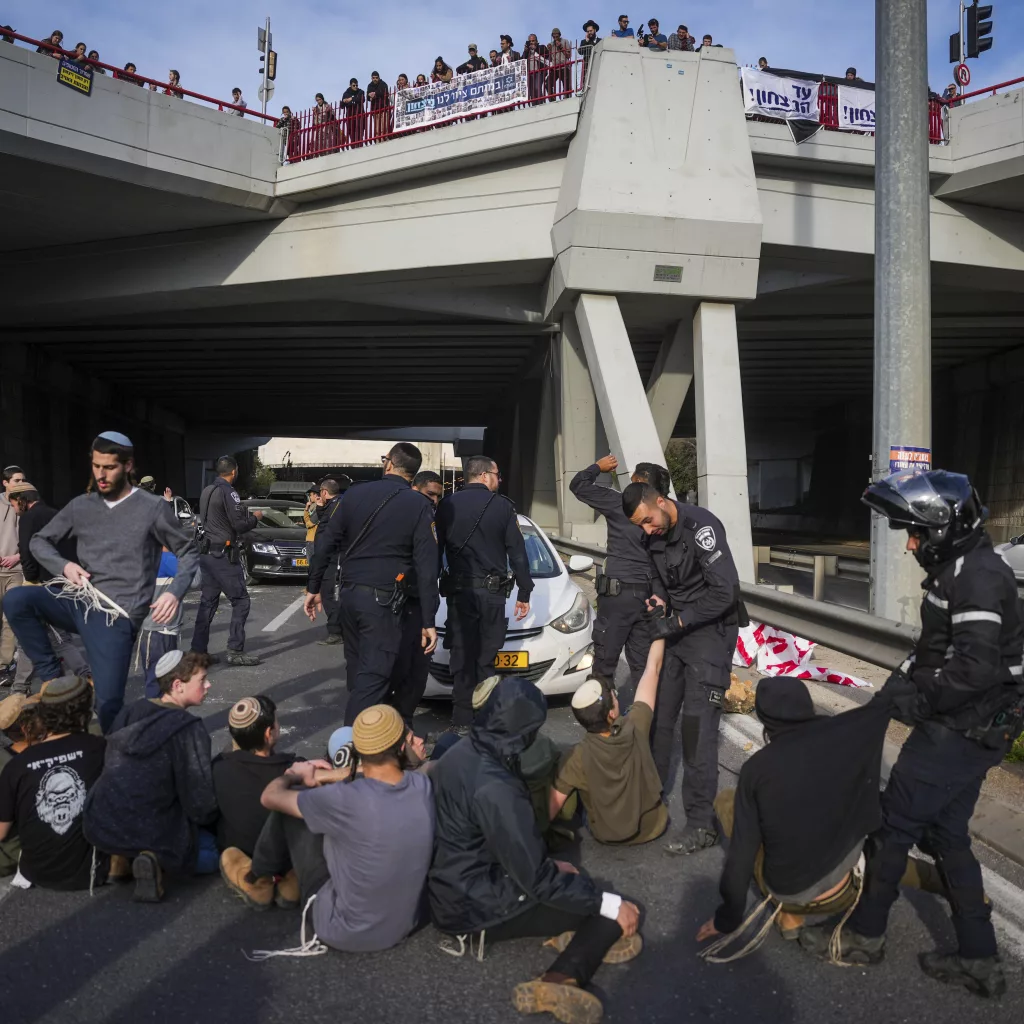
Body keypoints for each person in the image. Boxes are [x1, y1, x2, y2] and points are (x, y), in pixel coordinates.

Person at [799, 470, 1024, 999]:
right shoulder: (961, 570)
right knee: (948, 837)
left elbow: (972, 670)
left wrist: (917, 703)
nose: (910, 543)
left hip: (960, 731)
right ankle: (980, 959)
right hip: (970, 729)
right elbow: (935, 650)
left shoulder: (977, 578)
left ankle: (865, 935)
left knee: (892, 826)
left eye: (916, 533)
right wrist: (891, 693)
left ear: (944, 527)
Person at [428, 676, 642, 1023]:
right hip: (476, 907)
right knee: (609, 910)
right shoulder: (498, 788)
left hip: (452, 887)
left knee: (568, 880)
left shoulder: (461, 752)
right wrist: (610, 903)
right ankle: (557, 978)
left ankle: (565, 933)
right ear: (520, 732)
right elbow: (536, 880)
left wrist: (550, 869)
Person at [3, 432, 198, 732]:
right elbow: (40, 542)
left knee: (108, 708)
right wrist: (65, 566)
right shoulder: (82, 506)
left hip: (115, 618)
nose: (101, 475)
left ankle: (118, 761)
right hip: (79, 600)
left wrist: (174, 592)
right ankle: (53, 677)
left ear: (129, 466)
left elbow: (188, 551)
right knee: (16, 600)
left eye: (109, 467)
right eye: (96, 466)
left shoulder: (153, 508)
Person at [249, 704, 434, 952]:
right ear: (402, 747)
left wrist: (294, 774)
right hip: (402, 926)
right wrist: (329, 776)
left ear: (357, 749)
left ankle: (258, 878)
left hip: (341, 930)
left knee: (295, 804)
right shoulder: (422, 785)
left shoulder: (343, 799)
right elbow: (380, 771)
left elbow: (269, 797)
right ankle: (272, 879)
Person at [622, 482, 742, 855]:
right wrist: (659, 598)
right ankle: (649, 802)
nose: (647, 530)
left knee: (697, 728)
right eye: (640, 525)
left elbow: (726, 592)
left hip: (709, 632)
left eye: (648, 520)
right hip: (676, 627)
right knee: (659, 719)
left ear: (661, 502)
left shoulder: (701, 528)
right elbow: (657, 575)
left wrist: (677, 621)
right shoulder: (651, 532)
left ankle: (701, 824)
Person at [304, 443, 439, 726]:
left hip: (350, 597)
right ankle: (351, 747)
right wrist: (428, 619)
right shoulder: (418, 505)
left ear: (389, 463)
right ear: (412, 474)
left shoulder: (354, 495)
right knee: (375, 676)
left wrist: (313, 588)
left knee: (358, 671)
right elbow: (427, 565)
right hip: (384, 603)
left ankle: (371, 735)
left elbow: (325, 543)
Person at [83, 649, 218, 902]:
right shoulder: (189, 728)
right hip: (153, 825)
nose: (208, 685)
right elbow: (199, 800)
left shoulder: (130, 711)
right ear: (178, 685)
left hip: (103, 818)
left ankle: (119, 856)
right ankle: (154, 857)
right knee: (214, 849)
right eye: (202, 679)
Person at [436, 455, 533, 732]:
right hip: (492, 595)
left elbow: (433, 551)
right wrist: (524, 592)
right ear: (484, 475)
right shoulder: (503, 508)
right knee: (486, 659)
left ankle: (461, 720)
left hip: (458, 594)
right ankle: (486, 719)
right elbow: (517, 553)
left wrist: (429, 589)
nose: (499, 480)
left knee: (461, 656)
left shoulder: (446, 506)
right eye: (497, 475)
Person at [550, 639, 669, 846]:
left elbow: (553, 804)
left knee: (561, 774)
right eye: (613, 696)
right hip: (654, 826)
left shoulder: (577, 756)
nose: (616, 696)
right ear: (612, 714)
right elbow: (652, 670)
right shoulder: (635, 724)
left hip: (607, 834)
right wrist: (660, 630)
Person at [570, 456, 669, 688]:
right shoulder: (665, 514)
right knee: (643, 667)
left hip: (618, 597)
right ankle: (642, 718)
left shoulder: (619, 502)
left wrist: (598, 467)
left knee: (604, 664)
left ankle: (602, 716)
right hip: (649, 599)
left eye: (633, 480)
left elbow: (578, 485)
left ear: (641, 484)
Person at [0, 676, 107, 891]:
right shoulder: (100, 748)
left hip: (36, 871)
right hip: (95, 869)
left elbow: (1, 832)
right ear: (86, 711)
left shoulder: (16, 766)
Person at [214, 695, 301, 908]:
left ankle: (255, 882)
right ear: (269, 733)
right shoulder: (294, 768)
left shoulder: (218, 768)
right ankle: (293, 881)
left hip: (245, 849)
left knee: (224, 848)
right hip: (287, 851)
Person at [4, 482, 85, 696]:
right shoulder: (55, 514)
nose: (14, 510)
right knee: (36, 638)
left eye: (13, 504)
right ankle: (20, 688)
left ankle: (84, 677)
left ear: (21, 500)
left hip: (43, 584)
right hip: (64, 581)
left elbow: (27, 554)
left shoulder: (29, 519)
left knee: (55, 638)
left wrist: (31, 578)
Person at [190, 455, 262, 667]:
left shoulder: (206, 490)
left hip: (207, 554)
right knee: (241, 601)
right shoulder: (229, 492)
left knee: (208, 603)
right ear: (233, 471)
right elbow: (239, 524)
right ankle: (235, 650)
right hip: (223, 555)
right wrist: (256, 517)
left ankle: (198, 652)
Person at [387, 471, 443, 722]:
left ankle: (404, 724)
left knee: (417, 672)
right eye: (429, 494)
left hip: (422, 602)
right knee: (396, 669)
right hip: (398, 602)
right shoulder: (399, 516)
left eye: (438, 496)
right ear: (414, 488)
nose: (434, 500)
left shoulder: (435, 519)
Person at [138, 547, 188, 698]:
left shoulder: (146, 556)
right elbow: (195, 579)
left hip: (150, 630)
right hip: (162, 631)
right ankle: (157, 717)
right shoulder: (166, 559)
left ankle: (155, 716)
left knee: (153, 681)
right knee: (162, 683)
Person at [0, 465, 26, 683]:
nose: (20, 483)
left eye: (22, 480)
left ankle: (4, 665)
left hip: (16, 570)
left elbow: (32, 536)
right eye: (16, 480)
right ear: (5, 482)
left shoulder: (26, 504)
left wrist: (18, 557)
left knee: (10, 619)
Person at [311, 478, 344, 647]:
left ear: (324, 492)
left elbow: (326, 531)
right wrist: (320, 507)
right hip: (336, 557)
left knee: (330, 594)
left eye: (320, 493)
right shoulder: (337, 504)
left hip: (332, 558)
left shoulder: (336, 506)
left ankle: (335, 631)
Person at [522, 34, 550, 102]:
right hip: (530, 73)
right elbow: (522, 60)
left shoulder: (542, 47)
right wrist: (525, 51)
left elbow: (547, 55)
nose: (531, 42)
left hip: (540, 71)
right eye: (530, 41)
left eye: (533, 40)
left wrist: (536, 49)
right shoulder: (527, 51)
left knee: (537, 87)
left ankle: (541, 102)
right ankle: (534, 105)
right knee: (531, 91)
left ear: (537, 41)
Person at [547, 29, 572, 97]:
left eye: (556, 36)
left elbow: (569, 55)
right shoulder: (551, 44)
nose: (555, 38)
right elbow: (549, 58)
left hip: (564, 66)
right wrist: (548, 50)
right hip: (555, 68)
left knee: (566, 85)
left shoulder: (565, 41)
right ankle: (552, 99)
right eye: (554, 37)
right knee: (548, 83)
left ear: (559, 35)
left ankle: (566, 98)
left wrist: (561, 47)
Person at [341, 78, 365, 147]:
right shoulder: (346, 94)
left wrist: (351, 99)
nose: (356, 87)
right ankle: (353, 147)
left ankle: (359, 147)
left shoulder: (361, 92)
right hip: (350, 117)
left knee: (360, 135)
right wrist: (344, 101)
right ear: (350, 85)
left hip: (360, 116)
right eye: (354, 85)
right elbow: (342, 106)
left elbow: (362, 99)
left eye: (356, 85)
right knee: (352, 136)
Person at [366, 71, 389, 140]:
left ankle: (384, 139)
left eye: (376, 78)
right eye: (373, 78)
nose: (375, 79)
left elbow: (385, 93)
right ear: (371, 78)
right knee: (377, 127)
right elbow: (367, 97)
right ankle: (378, 140)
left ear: (379, 77)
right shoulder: (370, 86)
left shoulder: (383, 84)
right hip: (375, 109)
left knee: (384, 126)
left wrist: (375, 94)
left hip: (383, 107)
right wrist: (370, 96)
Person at [579, 20, 600, 88]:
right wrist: (586, 41)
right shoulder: (584, 41)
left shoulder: (600, 41)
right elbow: (580, 52)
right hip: (587, 66)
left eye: (591, 31)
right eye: (588, 31)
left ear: (595, 30)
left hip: (597, 64)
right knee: (586, 83)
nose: (589, 33)